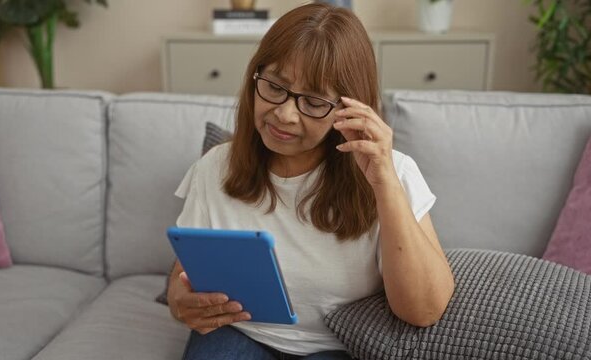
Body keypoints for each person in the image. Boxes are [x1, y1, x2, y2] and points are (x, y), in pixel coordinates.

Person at [166, 3, 455, 359]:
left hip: (334, 347)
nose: (285, 115)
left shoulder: (392, 172)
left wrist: (384, 183)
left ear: (350, 107)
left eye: (314, 102)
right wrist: (179, 301)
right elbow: (185, 275)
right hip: (239, 334)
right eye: (275, 86)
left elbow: (424, 310)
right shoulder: (216, 167)